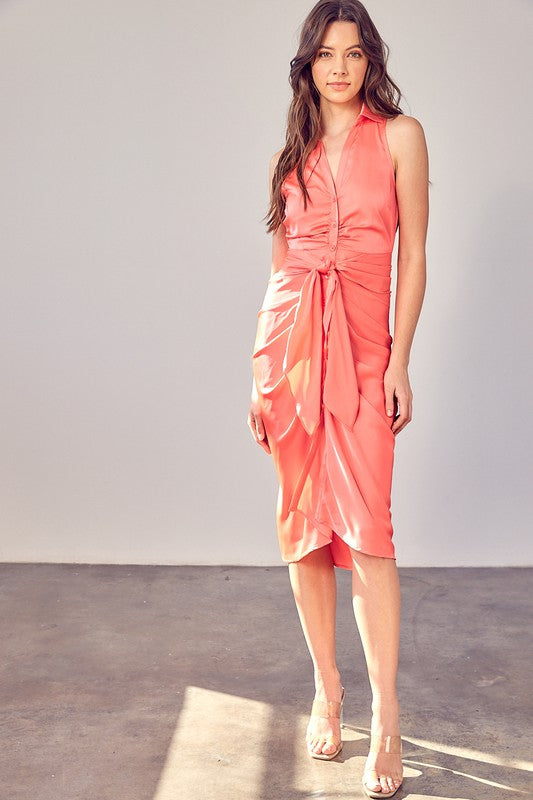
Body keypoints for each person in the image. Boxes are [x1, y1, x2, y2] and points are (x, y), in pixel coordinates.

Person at [247, 1, 428, 797]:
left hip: (360, 355)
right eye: (326, 54)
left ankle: (386, 716)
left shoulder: (399, 136)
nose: (340, 67)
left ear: (369, 61)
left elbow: (415, 254)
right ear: (307, 66)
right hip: (289, 355)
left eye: (353, 54)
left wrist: (399, 362)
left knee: (369, 537)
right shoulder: (291, 153)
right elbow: (280, 273)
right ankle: (327, 689)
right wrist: (259, 374)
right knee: (304, 534)